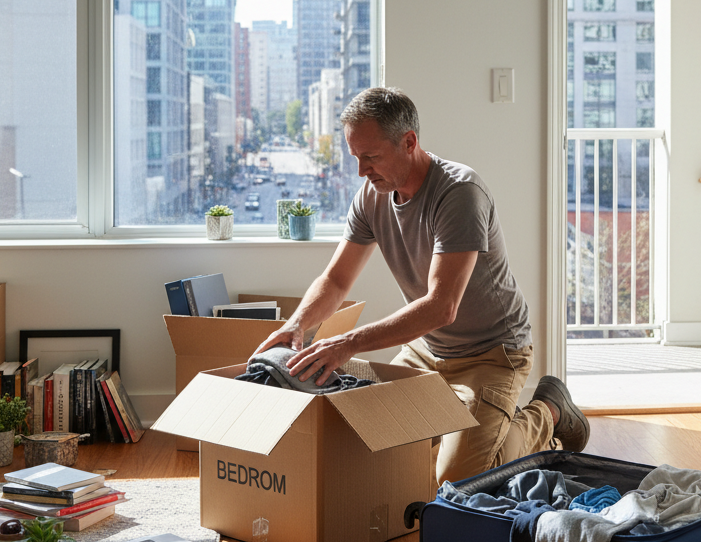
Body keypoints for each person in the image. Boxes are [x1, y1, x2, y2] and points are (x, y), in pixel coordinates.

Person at [252, 86, 589, 484]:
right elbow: (336, 279)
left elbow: (440, 306)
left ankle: (548, 411)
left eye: (371, 157)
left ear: (409, 142)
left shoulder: (459, 193)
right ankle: (457, 423)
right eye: (355, 157)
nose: (361, 170)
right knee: (368, 442)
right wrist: (298, 325)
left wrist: (349, 343)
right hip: (427, 350)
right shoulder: (371, 197)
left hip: (491, 354)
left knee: (458, 478)